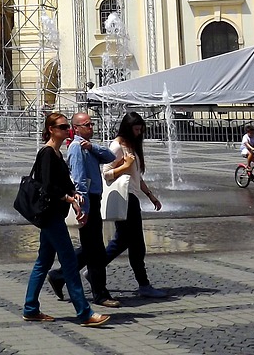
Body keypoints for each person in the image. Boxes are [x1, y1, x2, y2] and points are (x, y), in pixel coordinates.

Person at [22, 112, 110, 328]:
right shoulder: (47, 153)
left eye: (66, 127)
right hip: (51, 216)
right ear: (51, 129)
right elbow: (47, 186)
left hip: (55, 213)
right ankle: (84, 312)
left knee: (43, 262)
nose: (66, 130)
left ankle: (30, 308)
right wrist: (68, 197)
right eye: (62, 127)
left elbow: (64, 182)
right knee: (70, 262)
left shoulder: (57, 153)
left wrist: (74, 194)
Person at [49, 111, 123, 308]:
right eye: (87, 125)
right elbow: (80, 181)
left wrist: (93, 146)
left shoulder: (87, 147)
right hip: (87, 200)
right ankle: (100, 294)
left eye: (92, 124)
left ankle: (58, 275)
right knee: (96, 251)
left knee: (91, 249)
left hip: (94, 200)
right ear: (77, 128)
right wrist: (85, 209)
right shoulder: (76, 148)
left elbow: (109, 156)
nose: (91, 127)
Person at [102, 111, 166, 298]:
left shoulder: (130, 145)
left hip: (132, 197)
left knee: (127, 242)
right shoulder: (116, 147)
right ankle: (143, 285)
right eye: (137, 129)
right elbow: (106, 173)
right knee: (135, 243)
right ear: (128, 128)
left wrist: (150, 196)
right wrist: (124, 164)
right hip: (124, 198)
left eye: (141, 130)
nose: (139, 133)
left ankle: (95, 269)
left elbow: (137, 176)